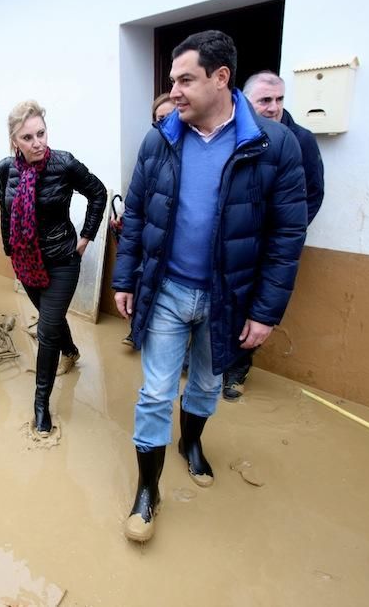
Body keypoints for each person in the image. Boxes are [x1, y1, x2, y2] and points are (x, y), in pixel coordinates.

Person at [113, 30, 307, 542]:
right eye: (172, 80)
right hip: (168, 291)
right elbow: (135, 214)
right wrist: (124, 277)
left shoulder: (273, 145)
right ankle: (146, 491)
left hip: (229, 296)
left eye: (185, 80)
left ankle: (190, 445)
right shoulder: (161, 138)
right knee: (155, 391)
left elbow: (287, 235)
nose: (174, 91)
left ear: (221, 78)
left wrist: (265, 311)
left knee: (204, 384)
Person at [0, 100, 107, 438]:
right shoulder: (6, 168)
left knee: (46, 330)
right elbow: (5, 210)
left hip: (62, 259)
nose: (37, 143)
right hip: (26, 261)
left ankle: (41, 405)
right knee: (53, 319)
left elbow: (98, 193)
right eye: (27, 137)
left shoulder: (64, 164)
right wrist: (9, 249)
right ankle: (72, 352)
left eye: (41, 133)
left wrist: (85, 238)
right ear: (15, 141)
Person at [220, 71, 325, 400]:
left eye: (280, 99)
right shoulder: (232, 134)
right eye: (265, 100)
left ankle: (238, 367)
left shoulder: (299, 139)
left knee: (255, 307)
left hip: (269, 245)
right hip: (234, 240)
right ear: (246, 100)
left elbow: (313, 193)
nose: (274, 107)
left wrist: (284, 232)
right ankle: (206, 357)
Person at [117, 93, 177, 348]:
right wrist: (122, 282)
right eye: (160, 118)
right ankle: (137, 331)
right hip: (150, 247)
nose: (166, 123)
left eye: (171, 117)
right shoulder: (150, 148)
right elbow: (135, 210)